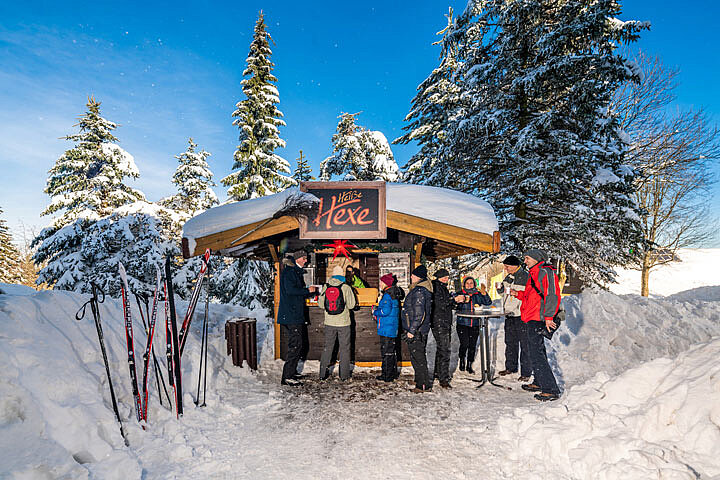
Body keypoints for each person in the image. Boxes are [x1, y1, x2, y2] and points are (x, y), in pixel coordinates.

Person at [511, 249, 562, 401]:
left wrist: (548, 316)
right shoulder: (533, 273)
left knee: (536, 353)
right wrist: (517, 294)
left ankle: (550, 389)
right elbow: (531, 296)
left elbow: (552, 295)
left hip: (539, 318)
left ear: (536, 259)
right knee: (536, 351)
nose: (525, 261)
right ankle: (539, 382)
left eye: (527, 258)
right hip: (530, 317)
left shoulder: (546, 272)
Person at [277, 250, 317, 386]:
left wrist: (307, 293)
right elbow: (291, 291)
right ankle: (287, 376)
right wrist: (307, 291)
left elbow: (294, 291)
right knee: (295, 345)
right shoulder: (290, 272)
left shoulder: (294, 271)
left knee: (297, 344)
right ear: (298, 259)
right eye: (304, 258)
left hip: (293, 314)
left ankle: (291, 372)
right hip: (291, 315)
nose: (306, 260)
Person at [496, 255, 532, 381]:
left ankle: (526, 373)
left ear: (515, 265)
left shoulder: (525, 276)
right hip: (509, 315)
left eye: (507, 266)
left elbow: (525, 295)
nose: (505, 269)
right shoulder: (508, 277)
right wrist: (500, 290)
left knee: (525, 345)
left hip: (521, 316)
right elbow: (506, 294)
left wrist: (516, 307)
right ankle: (510, 367)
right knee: (510, 343)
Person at [318, 265, 357, 381]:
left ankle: (322, 374)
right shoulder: (346, 287)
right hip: (343, 323)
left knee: (328, 347)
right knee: (344, 349)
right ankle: (344, 376)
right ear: (342, 275)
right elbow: (351, 305)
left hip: (329, 322)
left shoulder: (326, 286)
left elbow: (320, 305)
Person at [401, 265, 434, 393]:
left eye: (413, 275)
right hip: (418, 330)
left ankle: (423, 385)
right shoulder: (420, 289)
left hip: (417, 331)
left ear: (419, 277)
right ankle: (420, 380)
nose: (411, 277)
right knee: (416, 357)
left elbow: (420, 314)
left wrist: (412, 331)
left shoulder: (419, 291)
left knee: (418, 358)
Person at [453, 277, 491, 374]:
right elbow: (453, 304)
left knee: (472, 345)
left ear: (474, 284)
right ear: (464, 284)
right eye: (467, 283)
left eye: (471, 283)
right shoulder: (459, 293)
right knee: (464, 344)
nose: (469, 285)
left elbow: (488, 302)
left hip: (474, 324)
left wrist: (484, 294)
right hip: (462, 323)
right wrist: (458, 301)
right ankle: (462, 360)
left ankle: (469, 364)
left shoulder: (477, 294)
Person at [372, 273, 404, 382]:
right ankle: (392, 373)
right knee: (391, 352)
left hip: (386, 328)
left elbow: (385, 311)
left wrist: (375, 311)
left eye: (381, 282)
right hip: (392, 327)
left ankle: (387, 375)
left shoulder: (387, 295)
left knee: (386, 352)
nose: (380, 284)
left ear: (385, 283)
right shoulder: (393, 293)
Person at [430, 268, 456, 388]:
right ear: (439, 277)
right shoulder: (437, 287)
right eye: (444, 277)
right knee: (445, 350)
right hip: (440, 322)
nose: (446, 279)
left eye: (447, 277)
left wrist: (453, 301)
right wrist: (453, 300)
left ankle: (438, 373)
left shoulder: (440, 286)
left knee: (441, 349)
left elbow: (446, 303)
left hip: (441, 321)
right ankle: (443, 379)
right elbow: (441, 304)